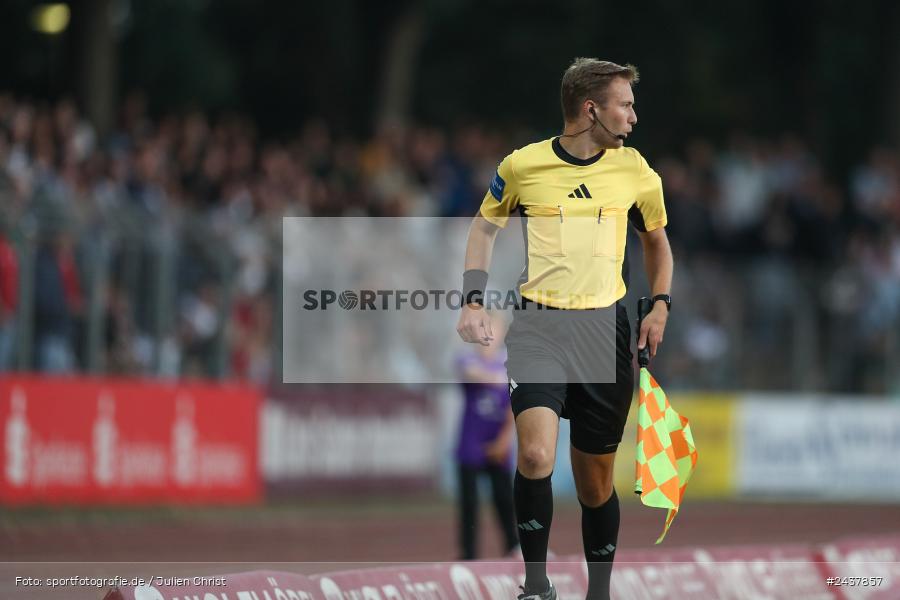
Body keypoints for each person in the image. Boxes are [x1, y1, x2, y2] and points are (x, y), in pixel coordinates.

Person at [455, 58, 673, 600]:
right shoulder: (522, 166)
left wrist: (660, 305)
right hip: (539, 328)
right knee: (534, 457)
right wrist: (472, 301)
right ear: (591, 109)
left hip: (605, 331)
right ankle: (535, 586)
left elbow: (656, 243)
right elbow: (484, 230)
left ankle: (598, 590)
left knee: (595, 484)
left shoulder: (636, 171)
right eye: (625, 105)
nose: (633, 116)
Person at [454, 311, 519, 560]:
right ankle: (468, 555)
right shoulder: (467, 360)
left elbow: (513, 408)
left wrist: (504, 440)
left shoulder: (509, 362)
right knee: (468, 504)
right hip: (470, 443)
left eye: (494, 329)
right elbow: (468, 373)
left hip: (498, 443)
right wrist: (498, 378)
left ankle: (513, 547)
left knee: (504, 500)